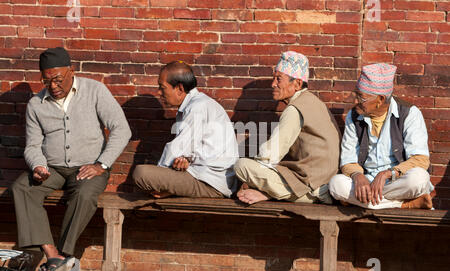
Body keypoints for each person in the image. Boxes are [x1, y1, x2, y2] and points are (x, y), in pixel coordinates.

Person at [10, 47, 132, 271]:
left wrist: (101, 164)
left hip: (89, 167)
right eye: (47, 81)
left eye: (57, 79)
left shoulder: (94, 90)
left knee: (84, 194)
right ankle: (52, 254)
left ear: (71, 71)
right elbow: (33, 145)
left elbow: (121, 129)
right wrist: (38, 166)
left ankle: (65, 255)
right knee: (21, 189)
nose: (53, 86)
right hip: (52, 168)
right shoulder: (36, 104)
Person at [234, 51, 341, 204]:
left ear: (297, 84)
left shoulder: (295, 109)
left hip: (313, 189)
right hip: (319, 182)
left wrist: (250, 182)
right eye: (274, 79)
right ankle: (272, 194)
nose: (273, 84)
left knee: (242, 166)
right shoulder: (312, 102)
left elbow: (269, 155)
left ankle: (273, 194)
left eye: (279, 79)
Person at [328, 63, 434, 210]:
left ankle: (365, 202)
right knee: (336, 184)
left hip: (397, 182)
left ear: (380, 100)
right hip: (367, 182)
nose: (355, 102)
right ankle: (404, 205)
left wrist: (388, 174)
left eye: (361, 98)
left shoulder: (410, 113)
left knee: (419, 179)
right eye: (356, 95)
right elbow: (348, 160)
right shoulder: (353, 116)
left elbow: (420, 160)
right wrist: (358, 177)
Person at [132, 61, 239, 199]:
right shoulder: (196, 104)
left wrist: (161, 176)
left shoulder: (197, 107)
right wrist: (183, 162)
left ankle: (169, 189)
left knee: (141, 174)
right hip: (200, 174)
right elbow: (189, 151)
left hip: (211, 183)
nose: (159, 92)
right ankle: (171, 189)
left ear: (180, 89)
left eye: (162, 87)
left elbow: (176, 149)